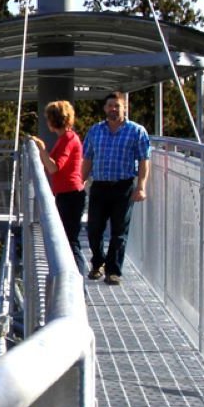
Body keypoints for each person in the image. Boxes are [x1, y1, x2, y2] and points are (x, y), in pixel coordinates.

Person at [82, 91, 151, 285]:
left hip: (123, 186)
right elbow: (87, 157)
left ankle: (113, 271)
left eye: (117, 106)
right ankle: (97, 264)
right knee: (94, 228)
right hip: (100, 186)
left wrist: (141, 187)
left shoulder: (136, 131)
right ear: (105, 108)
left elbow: (144, 160)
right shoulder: (95, 131)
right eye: (110, 105)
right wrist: (81, 179)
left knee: (119, 231)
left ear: (124, 108)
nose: (113, 109)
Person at [31, 100, 86, 274]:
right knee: (68, 239)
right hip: (66, 194)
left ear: (54, 120)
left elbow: (54, 167)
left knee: (70, 241)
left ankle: (79, 282)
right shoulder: (64, 138)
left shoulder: (68, 139)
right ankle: (77, 279)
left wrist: (41, 149)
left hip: (71, 195)